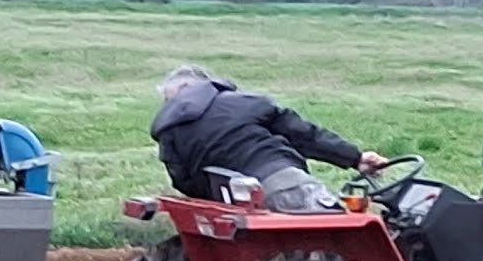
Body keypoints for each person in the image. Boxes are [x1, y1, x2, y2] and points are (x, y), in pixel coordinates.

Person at [148, 64, 387, 213]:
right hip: (284, 185)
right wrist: (355, 157)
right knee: (343, 240)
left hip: (231, 204)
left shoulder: (168, 130)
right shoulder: (244, 103)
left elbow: (183, 182)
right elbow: (304, 135)